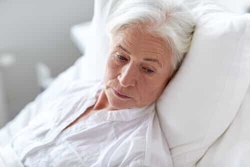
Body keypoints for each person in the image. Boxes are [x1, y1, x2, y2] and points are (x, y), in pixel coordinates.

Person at [0, 0, 195, 166]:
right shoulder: (76, 89)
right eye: (120, 57)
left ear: (170, 76)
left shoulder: (137, 156)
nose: (125, 79)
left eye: (148, 69)